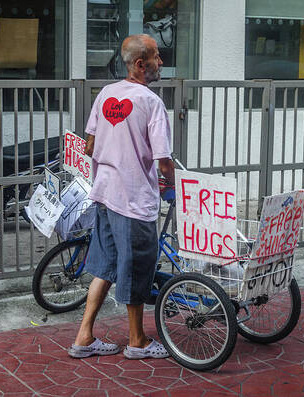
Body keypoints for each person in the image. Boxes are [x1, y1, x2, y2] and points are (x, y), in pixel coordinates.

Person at [68, 34, 175, 360]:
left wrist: (115, 150)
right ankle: (137, 340)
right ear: (141, 64)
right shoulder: (150, 102)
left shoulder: (106, 94)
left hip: (105, 194)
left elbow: (88, 145)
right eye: (156, 57)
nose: (161, 63)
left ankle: (83, 337)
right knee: (137, 267)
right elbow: (164, 160)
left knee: (107, 265)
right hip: (133, 200)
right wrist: (177, 184)